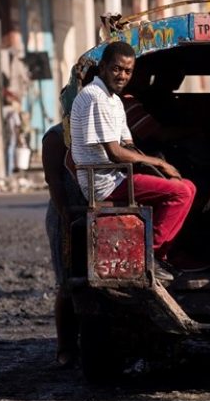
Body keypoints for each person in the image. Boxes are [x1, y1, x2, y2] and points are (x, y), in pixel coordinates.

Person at [69, 41, 199, 280]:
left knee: (187, 186)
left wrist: (154, 164)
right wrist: (160, 164)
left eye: (128, 71)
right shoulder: (95, 97)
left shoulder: (115, 101)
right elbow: (115, 153)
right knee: (181, 193)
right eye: (117, 69)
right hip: (104, 183)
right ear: (104, 67)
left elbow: (128, 144)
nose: (122, 76)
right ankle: (153, 254)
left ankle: (163, 253)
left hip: (118, 176)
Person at [42, 122, 85, 368]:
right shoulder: (57, 136)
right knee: (68, 281)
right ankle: (66, 347)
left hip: (96, 215)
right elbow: (53, 180)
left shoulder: (101, 128)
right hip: (66, 215)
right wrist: (66, 214)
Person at [2, 94, 24, 175]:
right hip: (12, 134)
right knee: (10, 152)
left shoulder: (2, 110)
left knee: (6, 152)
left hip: (4, 134)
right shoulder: (13, 111)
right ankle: (9, 171)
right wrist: (18, 137)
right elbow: (17, 125)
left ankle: (7, 170)